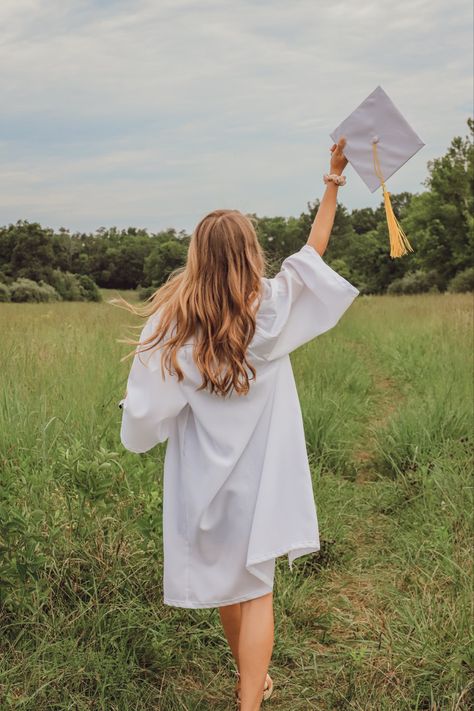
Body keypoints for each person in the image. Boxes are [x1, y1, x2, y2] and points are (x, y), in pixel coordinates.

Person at [115, 137, 359, 711]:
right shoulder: (271, 308)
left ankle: (251, 685)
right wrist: (333, 179)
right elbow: (312, 254)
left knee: (232, 582)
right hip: (261, 479)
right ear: (251, 253)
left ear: (197, 255)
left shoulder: (173, 327)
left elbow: (147, 413)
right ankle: (251, 696)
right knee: (256, 588)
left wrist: (136, 425)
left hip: (205, 480)